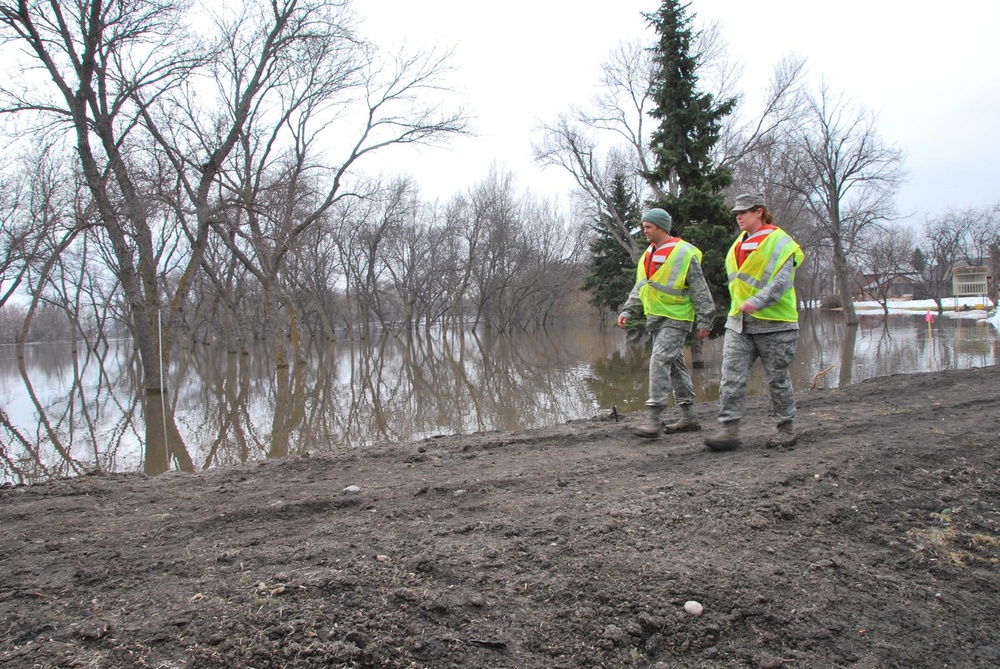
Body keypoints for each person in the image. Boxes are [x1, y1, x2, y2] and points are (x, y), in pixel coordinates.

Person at [705, 192, 805, 452]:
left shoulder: (780, 242)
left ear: (759, 211)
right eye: (736, 213)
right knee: (731, 376)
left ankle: (787, 428)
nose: (738, 216)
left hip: (776, 324)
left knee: (777, 379)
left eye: (744, 212)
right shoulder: (738, 243)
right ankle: (728, 430)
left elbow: (783, 282)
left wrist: (758, 301)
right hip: (739, 322)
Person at [617, 208, 715, 438]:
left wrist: (705, 320)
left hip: (678, 318)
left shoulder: (683, 253)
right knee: (675, 367)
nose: (645, 231)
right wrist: (628, 310)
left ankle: (654, 417)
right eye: (644, 227)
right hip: (656, 319)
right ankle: (689, 416)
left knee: (659, 360)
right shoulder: (647, 255)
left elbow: (700, 289)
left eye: (648, 227)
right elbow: (642, 286)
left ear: (661, 227)